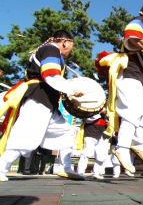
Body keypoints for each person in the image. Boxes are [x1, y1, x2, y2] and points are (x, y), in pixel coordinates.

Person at [0, 30, 85, 182]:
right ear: (65, 42)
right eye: (71, 47)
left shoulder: (49, 51)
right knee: (25, 138)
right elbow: (50, 75)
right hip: (38, 99)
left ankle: (66, 168)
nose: (71, 51)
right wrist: (71, 89)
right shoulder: (51, 49)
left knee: (66, 133)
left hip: (47, 103)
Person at [111, 2, 143, 174]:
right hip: (129, 73)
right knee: (135, 107)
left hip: (138, 77)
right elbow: (132, 33)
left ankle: (136, 143)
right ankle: (123, 147)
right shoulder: (142, 20)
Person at [76, 110, 109, 179]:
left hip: (102, 133)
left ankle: (96, 173)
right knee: (87, 152)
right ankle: (80, 172)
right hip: (90, 132)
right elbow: (87, 119)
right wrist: (100, 113)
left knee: (101, 154)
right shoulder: (90, 107)